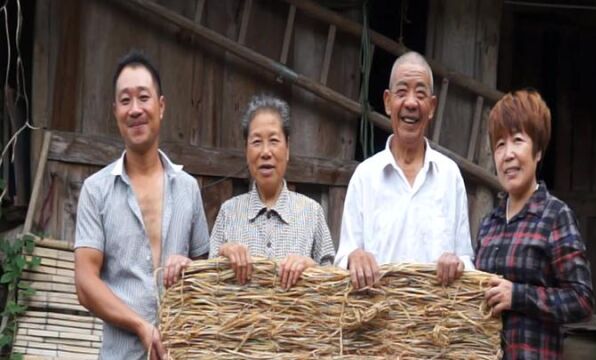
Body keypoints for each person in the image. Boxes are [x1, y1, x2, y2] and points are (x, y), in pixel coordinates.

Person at [74, 51, 209, 360]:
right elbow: (85, 283)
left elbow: (206, 272)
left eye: (143, 98)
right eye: (125, 100)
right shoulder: (97, 191)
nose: (135, 109)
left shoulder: (188, 188)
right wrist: (139, 325)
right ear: (115, 111)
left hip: (182, 352)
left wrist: (191, 268)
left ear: (160, 107)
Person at [334, 51, 474, 289]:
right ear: (388, 103)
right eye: (402, 93)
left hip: (436, 319)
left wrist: (457, 263)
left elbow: (466, 261)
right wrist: (354, 256)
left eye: (420, 94)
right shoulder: (365, 176)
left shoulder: (450, 176)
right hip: (377, 318)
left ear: (431, 106)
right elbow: (343, 260)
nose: (411, 103)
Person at [475, 89, 593, 359]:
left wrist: (517, 296)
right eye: (500, 145)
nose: (508, 155)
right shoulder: (488, 225)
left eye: (517, 140)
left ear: (538, 151)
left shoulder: (555, 216)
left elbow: (582, 300)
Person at [209, 94, 335, 289]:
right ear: (246, 150)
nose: (265, 152)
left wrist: (311, 268)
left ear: (287, 149)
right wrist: (224, 253)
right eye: (257, 142)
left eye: (274, 140)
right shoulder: (229, 212)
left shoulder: (311, 212)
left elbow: (334, 286)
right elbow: (206, 285)